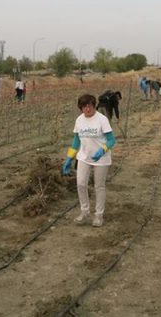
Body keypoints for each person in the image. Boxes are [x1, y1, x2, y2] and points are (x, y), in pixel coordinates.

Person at [61, 94, 117, 227]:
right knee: (81, 184)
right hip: (84, 157)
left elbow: (111, 140)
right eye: (85, 106)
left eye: (90, 106)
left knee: (99, 186)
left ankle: (99, 215)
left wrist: (103, 150)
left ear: (94, 106)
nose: (88, 109)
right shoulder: (79, 120)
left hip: (101, 158)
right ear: (81, 108)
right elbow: (76, 141)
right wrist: (69, 158)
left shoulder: (102, 119)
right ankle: (85, 212)